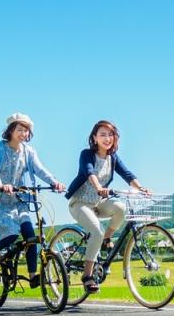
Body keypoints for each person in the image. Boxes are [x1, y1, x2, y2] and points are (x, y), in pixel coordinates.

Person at [0, 112, 65, 287]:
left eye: (26, 131)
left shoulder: (29, 151)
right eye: (20, 129)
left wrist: (54, 182)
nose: (23, 134)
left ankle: (33, 275)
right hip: (0, 200)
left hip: (20, 200)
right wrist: (1, 184)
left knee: (31, 236)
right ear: (10, 130)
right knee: (10, 234)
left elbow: (40, 169)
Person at [64, 120, 151, 292]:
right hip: (80, 202)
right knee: (96, 231)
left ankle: (106, 239)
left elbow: (127, 174)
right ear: (94, 138)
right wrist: (98, 188)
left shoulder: (113, 158)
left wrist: (140, 188)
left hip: (98, 203)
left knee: (121, 208)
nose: (107, 138)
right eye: (102, 134)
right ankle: (87, 275)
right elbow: (89, 172)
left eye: (110, 134)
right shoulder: (86, 154)